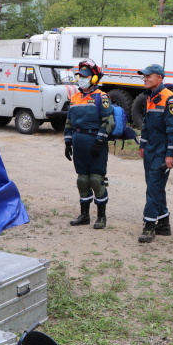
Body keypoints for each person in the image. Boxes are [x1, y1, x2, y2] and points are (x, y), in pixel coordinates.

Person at [64, 59, 115, 229]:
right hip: (79, 144)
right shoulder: (75, 97)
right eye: (79, 76)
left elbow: (109, 121)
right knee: (82, 180)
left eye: (85, 76)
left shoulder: (102, 97)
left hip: (95, 144)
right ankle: (84, 215)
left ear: (94, 79)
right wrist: (67, 143)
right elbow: (69, 122)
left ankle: (101, 217)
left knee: (95, 179)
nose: (81, 79)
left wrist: (99, 141)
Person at [136, 64, 173, 243]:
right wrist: (143, 144)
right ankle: (164, 224)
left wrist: (170, 153)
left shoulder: (169, 98)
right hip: (151, 149)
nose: (145, 78)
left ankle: (149, 225)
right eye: (144, 76)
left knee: (153, 187)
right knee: (155, 186)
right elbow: (146, 124)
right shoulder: (150, 96)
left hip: (162, 150)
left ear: (160, 78)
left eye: (149, 76)